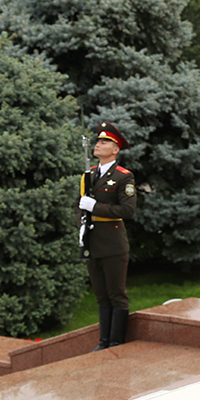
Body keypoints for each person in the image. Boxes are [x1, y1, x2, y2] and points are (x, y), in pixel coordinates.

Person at [78, 122, 136, 351]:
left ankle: (116, 342)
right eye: (98, 141)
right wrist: (82, 222)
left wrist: (96, 208)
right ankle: (103, 342)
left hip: (113, 243)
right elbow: (79, 204)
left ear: (115, 149)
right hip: (92, 242)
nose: (98, 144)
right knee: (101, 296)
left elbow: (127, 210)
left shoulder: (123, 177)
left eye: (104, 142)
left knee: (116, 295)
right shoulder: (90, 174)